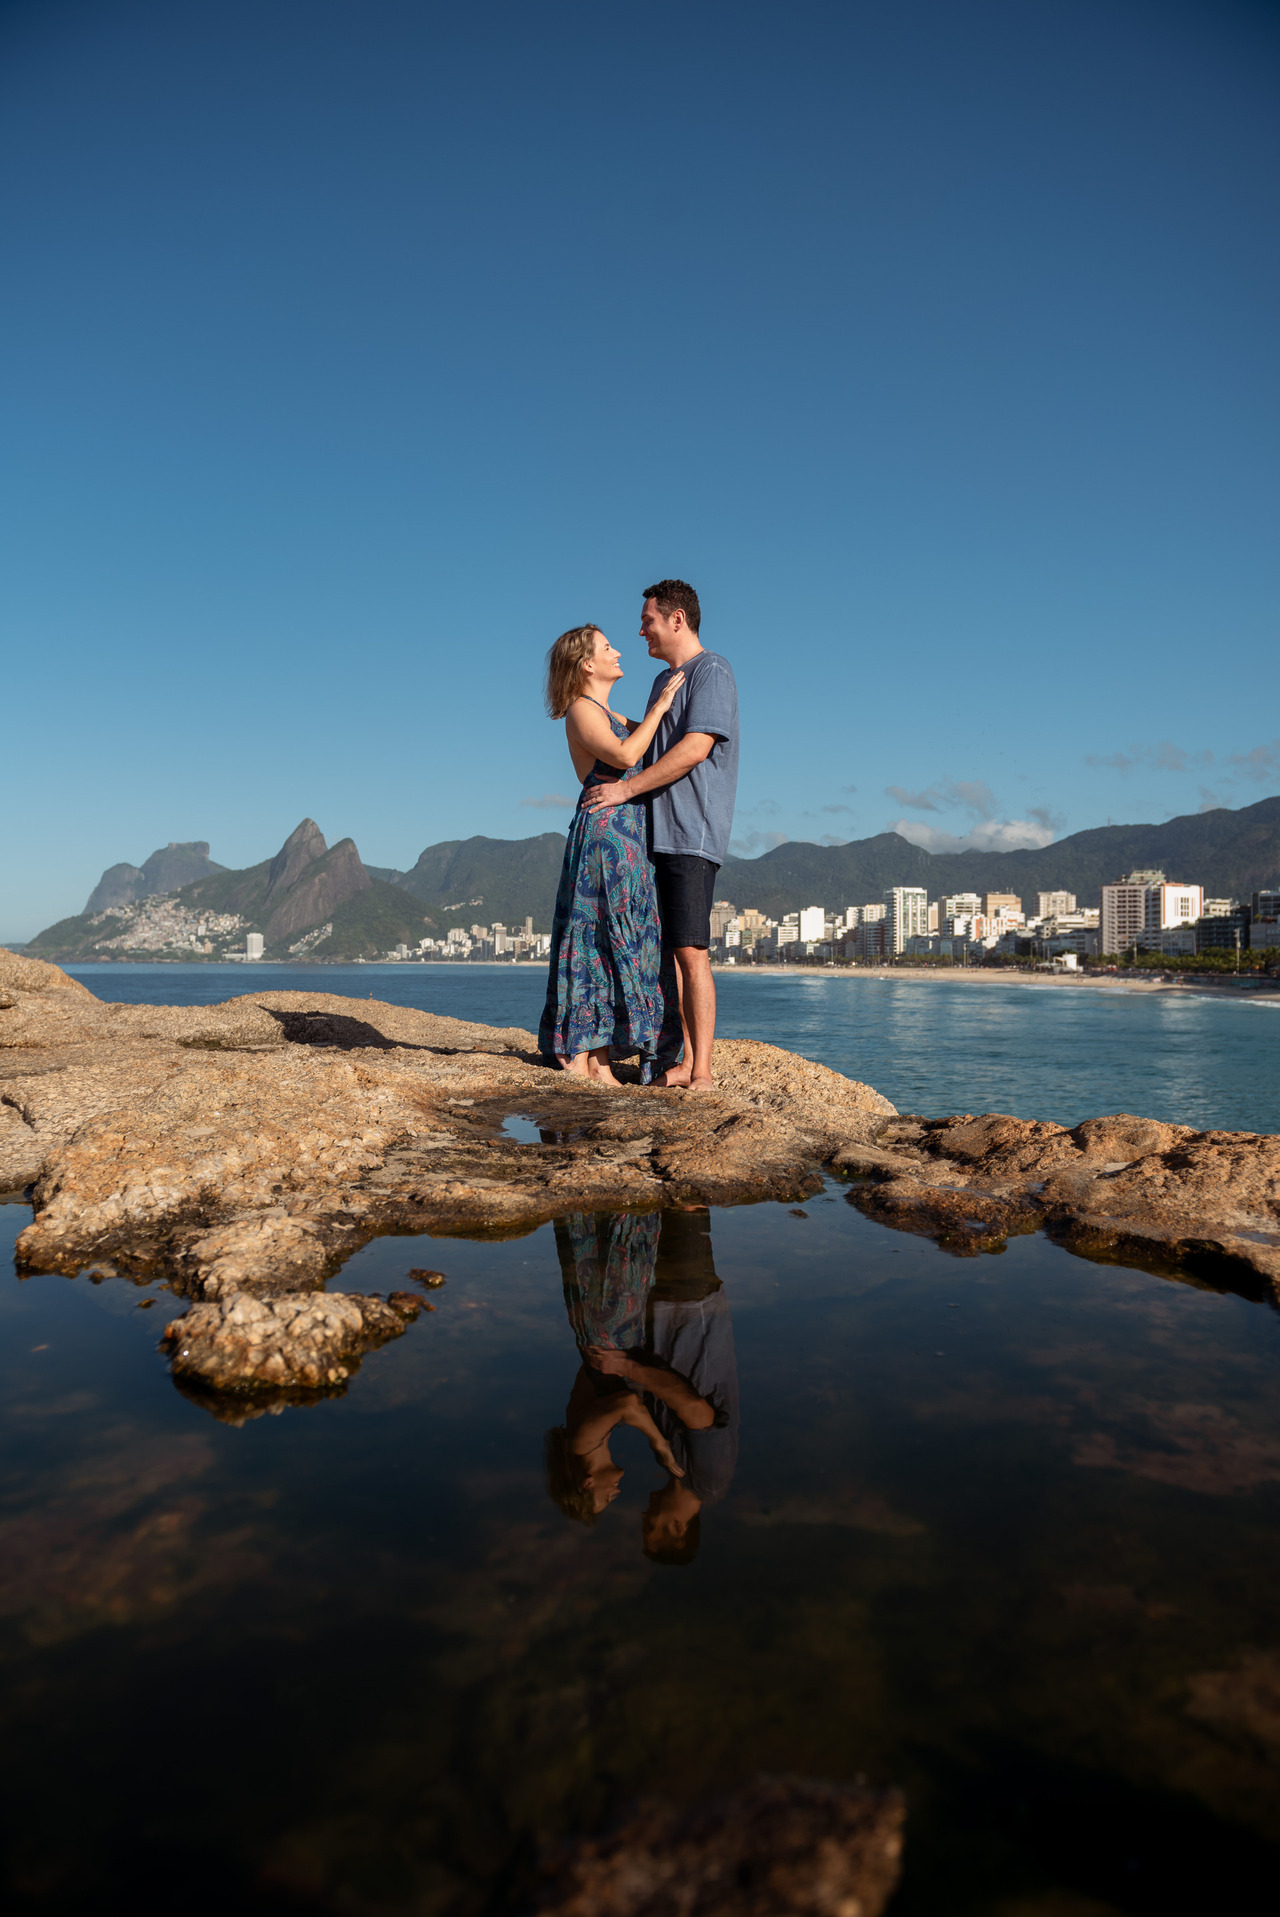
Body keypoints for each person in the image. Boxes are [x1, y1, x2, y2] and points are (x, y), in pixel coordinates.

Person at [582, 580, 738, 1088]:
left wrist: (625, 791)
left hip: (691, 834)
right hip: (655, 834)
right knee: (670, 954)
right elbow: (652, 742)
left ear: (677, 619)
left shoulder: (712, 670)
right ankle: (685, 1061)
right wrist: (603, 716)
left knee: (691, 951)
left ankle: (703, 1071)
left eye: (647, 620)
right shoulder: (662, 682)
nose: (641, 631)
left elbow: (695, 747)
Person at [538, 624, 685, 1082]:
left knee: (616, 939)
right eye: (607, 647)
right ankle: (586, 1056)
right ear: (587, 664)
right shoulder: (580, 709)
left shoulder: (609, 712)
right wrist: (659, 706)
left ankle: (600, 1059)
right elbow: (623, 756)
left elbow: (660, 743)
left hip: (628, 837)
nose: (618, 651)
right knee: (595, 940)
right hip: (604, 838)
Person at [586, 1206, 738, 1567]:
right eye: (650, 1526)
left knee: (658, 1208)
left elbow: (646, 1399)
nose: (644, 1515)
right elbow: (694, 1409)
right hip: (692, 1309)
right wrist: (625, 1366)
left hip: (665, 1316)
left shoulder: (670, 1464)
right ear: (677, 1529)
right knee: (686, 1208)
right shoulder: (710, 1484)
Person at [544, 1211, 685, 1526]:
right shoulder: (589, 1438)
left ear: (587, 1484)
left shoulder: (582, 1442)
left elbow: (627, 1403)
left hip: (609, 1329)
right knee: (606, 1246)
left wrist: (658, 1442)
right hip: (602, 1331)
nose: (615, 1493)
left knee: (627, 1248)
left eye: (605, 1498)